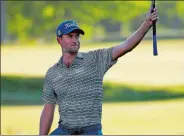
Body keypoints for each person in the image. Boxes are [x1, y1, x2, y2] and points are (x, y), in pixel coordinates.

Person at [39, 7, 159, 135]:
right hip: (64, 131)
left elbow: (125, 46)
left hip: (90, 132)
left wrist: (147, 24)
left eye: (77, 36)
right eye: (70, 36)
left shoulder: (95, 59)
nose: (75, 40)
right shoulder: (52, 73)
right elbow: (48, 109)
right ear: (59, 40)